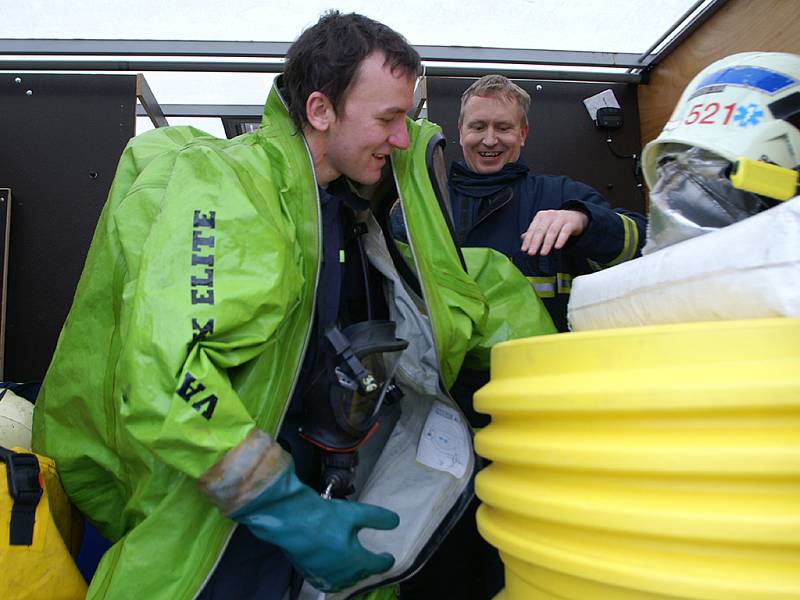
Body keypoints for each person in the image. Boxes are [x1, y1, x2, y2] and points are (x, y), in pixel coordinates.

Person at [32, 11, 550, 600]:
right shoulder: (229, 185)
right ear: (320, 110)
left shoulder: (355, 212)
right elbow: (169, 377)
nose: (403, 138)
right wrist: (286, 508)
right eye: (387, 118)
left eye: (406, 119)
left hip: (330, 534)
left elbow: (464, 290)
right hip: (216, 545)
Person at [448, 74, 648, 332]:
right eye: (478, 127)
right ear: (461, 132)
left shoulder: (561, 195)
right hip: (452, 370)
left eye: (503, 127)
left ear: (522, 134)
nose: (489, 139)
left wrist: (584, 221)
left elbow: (646, 246)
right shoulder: (430, 204)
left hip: (542, 366)